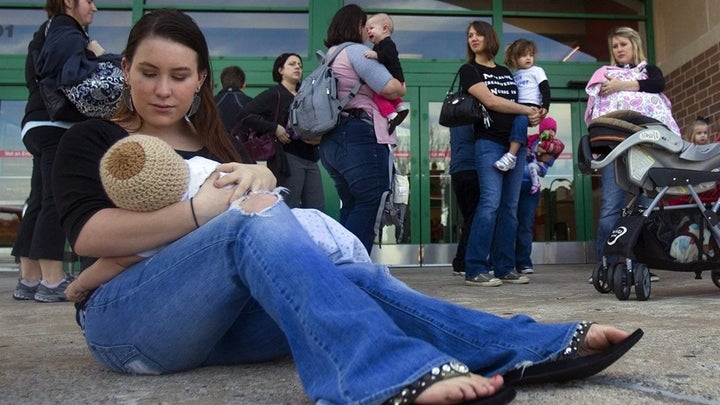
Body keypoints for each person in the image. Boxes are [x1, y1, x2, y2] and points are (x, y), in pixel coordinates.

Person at [52, 9, 642, 405]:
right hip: (128, 329)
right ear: (124, 68)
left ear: (200, 79)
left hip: (215, 326)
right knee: (249, 220)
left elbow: (210, 249)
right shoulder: (94, 140)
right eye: (149, 72)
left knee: (349, 274)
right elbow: (89, 237)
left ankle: (529, 347)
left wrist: (246, 190)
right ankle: (379, 377)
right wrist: (209, 215)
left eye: (179, 76)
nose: (162, 89)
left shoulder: (215, 146)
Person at [66, 134, 368, 303]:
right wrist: (262, 174)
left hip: (283, 248)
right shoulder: (204, 166)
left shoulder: (164, 223)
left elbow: (117, 261)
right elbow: (255, 179)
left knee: (334, 294)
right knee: (361, 280)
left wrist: (80, 284)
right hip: (309, 225)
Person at [12, 0, 108, 302]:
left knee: (39, 200)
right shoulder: (68, 33)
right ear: (69, 1)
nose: (94, 8)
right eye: (89, 1)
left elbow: (35, 78)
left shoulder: (44, 32)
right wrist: (99, 56)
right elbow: (73, 78)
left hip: (35, 125)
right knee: (55, 201)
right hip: (57, 127)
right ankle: (52, 279)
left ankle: (29, 278)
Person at [585, 26, 681, 283]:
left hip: (646, 150)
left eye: (623, 45)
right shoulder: (604, 74)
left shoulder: (649, 71)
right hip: (615, 149)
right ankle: (607, 265)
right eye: (615, 46)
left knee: (645, 206)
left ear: (634, 46)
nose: (618, 50)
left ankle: (639, 263)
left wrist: (622, 85)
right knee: (610, 208)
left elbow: (657, 84)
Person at [459, 21, 542, 287]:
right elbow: (492, 102)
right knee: (490, 204)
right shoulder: (469, 70)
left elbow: (524, 103)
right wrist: (523, 110)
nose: (473, 39)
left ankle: (505, 267)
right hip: (489, 144)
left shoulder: (507, 72)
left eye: (478, 34)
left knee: (510, 208)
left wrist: (534, 112)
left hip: (515, 146)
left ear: (489, 38)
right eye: (470, 35)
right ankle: (474, 268)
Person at [319, 5, 407, 253]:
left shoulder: (330, 55)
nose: (368, 31)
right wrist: (402, 88)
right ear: (355, 26)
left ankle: (340, 268)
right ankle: (353, 270)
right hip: (358, 135)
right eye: (364, 25)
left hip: (333, 138)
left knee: (351, 203)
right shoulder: (356, 52)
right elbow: (392, 88)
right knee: (371, 199)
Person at [235, 53, 325, 210]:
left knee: (317, 208)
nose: (298, 67)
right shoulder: (274, 94)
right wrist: (274, 128)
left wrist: (318, 137)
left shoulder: (305, 94)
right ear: (280, 70)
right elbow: (244, 115)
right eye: (292, 64)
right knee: (288, 207)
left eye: (300, 64)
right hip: (287, 158)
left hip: (311, 157)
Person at [494, 39, 550, 172]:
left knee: (520, 120)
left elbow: (545, 89)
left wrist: (545, 107)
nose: (528, 58)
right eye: (524, 55)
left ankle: (511, 156)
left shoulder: (537, 70)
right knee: (514, 126)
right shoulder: (514, 75)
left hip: (530, 106)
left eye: (531, 55)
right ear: (515, 58)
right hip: (516, 106)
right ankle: (521, 150)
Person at [515, 117, 562, 275]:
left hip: (530, 187)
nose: (549, 132)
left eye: (553, 130)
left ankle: (523, 262)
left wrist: (540, 148)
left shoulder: (555, 144)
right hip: (514, 183)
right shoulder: (531, 139)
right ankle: (501, 261)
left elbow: (550, 152)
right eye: (547, 129)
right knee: (507, 223)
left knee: (525, 225)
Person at [364, 12, 409, 135]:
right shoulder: (378, 46)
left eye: (371, 28)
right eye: (367, 29)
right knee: (389, 95)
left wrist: (376, 55)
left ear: (385, 29)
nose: (368, 32)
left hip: (394, 79)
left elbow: (389, 56)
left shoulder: (388, 44)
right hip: (395, 80)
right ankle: (400, 107)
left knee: (378, 96)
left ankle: (391, 115)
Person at [449, 124, 479, 277]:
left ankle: (461, 262)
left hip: (457, 170)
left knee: (470, 219)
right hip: (473, 167)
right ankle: (463, 262)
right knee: (475, 219)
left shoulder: (455, 117)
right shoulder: (474, 113)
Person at [527, 117, 564, 195]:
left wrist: (542, 143)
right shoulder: (536, 139)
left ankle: (535, 184)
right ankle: (535, 183)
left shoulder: (556, 142)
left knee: (531, 166)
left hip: (541, 167)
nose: (551, 132)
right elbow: (526, 141)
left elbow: (555, 148)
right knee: (531, 165)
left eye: (553, 130)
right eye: (548, 129)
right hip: (530, 167)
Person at [215, 65, 253, 134]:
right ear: (244, 85)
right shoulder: (252, 103)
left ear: (221, 85)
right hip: (243, 144)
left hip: (214, 144)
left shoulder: (209, 103)